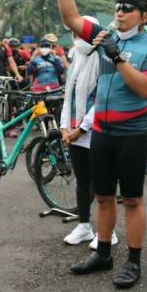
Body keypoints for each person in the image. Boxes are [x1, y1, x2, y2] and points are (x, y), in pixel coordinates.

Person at [53, 0, 147, 289]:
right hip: (101, 133)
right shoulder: (103, 36)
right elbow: (71, 17)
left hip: (132, 134)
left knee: (131, 199)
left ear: (144, 16)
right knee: (102, 196)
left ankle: (133, 261)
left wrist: (117, 55)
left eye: (128, 7)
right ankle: (103, 253)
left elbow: (145, 88)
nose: (119, 11)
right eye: (118, 6)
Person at [59, 27, 116, 246]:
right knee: (83, 181)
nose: (76, 39)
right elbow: (68, 97)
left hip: (98, 131)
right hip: (75, 133)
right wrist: (64, 127)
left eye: (80, 34)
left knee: (104, 184)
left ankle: (108, 232)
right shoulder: (76, 59)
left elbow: (103, 99)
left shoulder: (105, 59)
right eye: (74, 35)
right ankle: (84, 226)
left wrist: (82, 128)